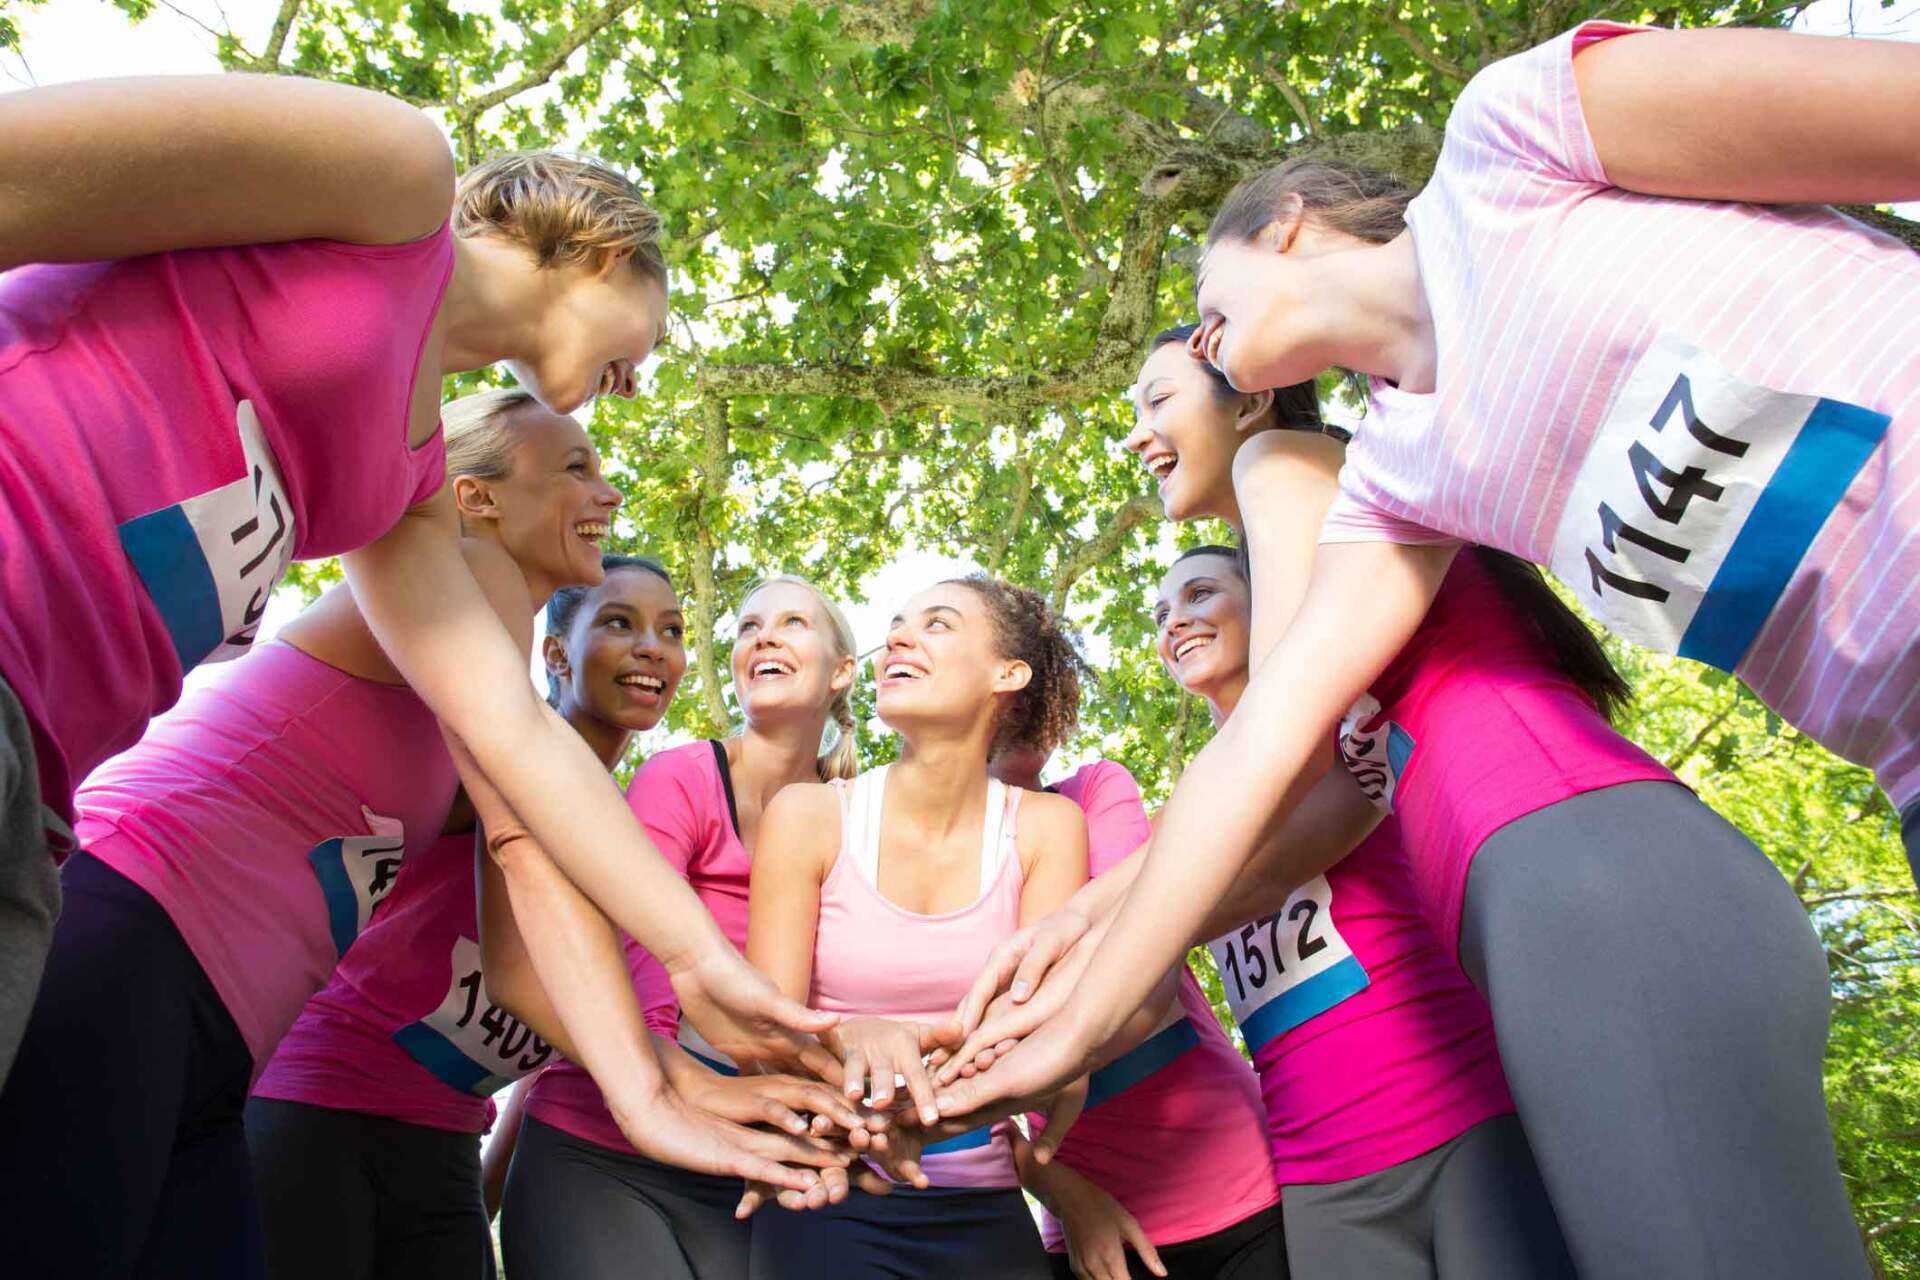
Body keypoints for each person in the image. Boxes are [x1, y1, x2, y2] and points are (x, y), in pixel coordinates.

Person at [941, 323, 1866, 1277]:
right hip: (1469, 962)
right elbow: (1257, 861)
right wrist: (1068, 952)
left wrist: (1071, 1002)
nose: (1136, 434)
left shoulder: (1283, 464)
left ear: (1250, 392)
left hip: (1563, 870)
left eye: (1159, 397)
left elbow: (1275, 771)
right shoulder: (1342, 658)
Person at [0, 96, 824, 1085]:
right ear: (611, 249)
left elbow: (517, 735)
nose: (638, 383)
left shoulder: (405, 489)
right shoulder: (395, 177)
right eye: (655, 330)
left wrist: (697, 955)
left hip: (39, 794)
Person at [0, 394, 836, 1278]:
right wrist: (682, 1025)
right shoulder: (477, 583)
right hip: (150, 933)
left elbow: (521, 961)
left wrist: (680, 1083)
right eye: (574, 468)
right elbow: (522, 844)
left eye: (672, 630)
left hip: (257, 1040)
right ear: (475, 498)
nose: (609, 493)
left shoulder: (491, 701)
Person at [244, 555, 685, 1280]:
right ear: (555, 653)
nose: (651, 646)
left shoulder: (636, 840)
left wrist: (487, 1193)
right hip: (314, 1107)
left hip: (444, 1143)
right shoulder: (480, 765)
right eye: (619, 621)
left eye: (670, 631)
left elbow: (567, 1040)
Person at [502, 575, 884, 1280]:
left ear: (842, 671)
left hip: (759, 1162)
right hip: (607, 1150)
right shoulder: (683, 777)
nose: (762, 636)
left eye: (792, 622)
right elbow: (637, 962)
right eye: (746, 627)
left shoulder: (858, 821)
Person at [747, 577, 1091, 1280]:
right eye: (897, 625)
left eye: (936, 624)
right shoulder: (807, 815)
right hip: (826, 1190)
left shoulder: (1047, 830)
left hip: (982, 1207)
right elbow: (764, 1036)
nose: (897, 638)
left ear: (1008, 673)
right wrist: (850, 1034)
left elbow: (1038, 1038)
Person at [988, 744, 1284, 1280]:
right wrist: (1061, 1193)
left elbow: (1142, 958)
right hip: (1092, 1230)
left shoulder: (1094, 791)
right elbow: (959, 1114)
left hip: (1241, 1191)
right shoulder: (921, 877)